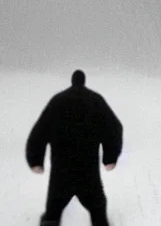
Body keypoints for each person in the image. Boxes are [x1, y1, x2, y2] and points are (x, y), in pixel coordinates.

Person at [26, 69, 123, 226]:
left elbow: (40, 131)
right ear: (83, 81)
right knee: (97, 208)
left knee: (53, 209)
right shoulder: (96, 101)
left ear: (72, 81)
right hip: (87, 167)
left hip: (61, 167)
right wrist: (110, 158)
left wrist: (35, 160)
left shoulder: (57, 101)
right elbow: (113, 128)